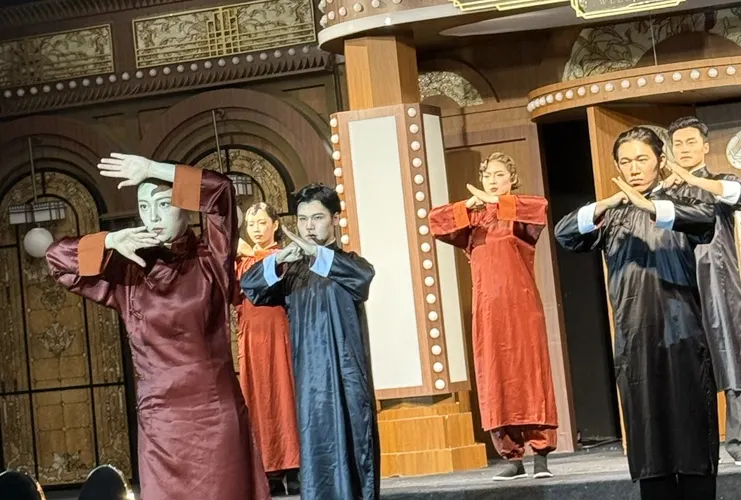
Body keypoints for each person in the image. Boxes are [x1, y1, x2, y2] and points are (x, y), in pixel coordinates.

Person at [45, 153, 270, 500]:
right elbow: (57, 261)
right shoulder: (128, 270)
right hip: (161, 423)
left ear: (184, 207)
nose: (153, 217)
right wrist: (109, 241)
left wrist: (151, 169)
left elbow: (220, 191)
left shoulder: (211, 259)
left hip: (215, 415)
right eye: (144, 207)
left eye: (164, 204)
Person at [554, 127, 719, 500]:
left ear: (660, 160)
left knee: (692, 432)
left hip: (684, 337)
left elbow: (705, 220)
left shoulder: (682, 202)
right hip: (635, 341)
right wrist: (609, 202)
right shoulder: (613, 215)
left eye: (642, 159)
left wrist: (650, 207)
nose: (634, 168)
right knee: (649, 441)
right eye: (625, 161)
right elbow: (565, 234)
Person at [241, 183, 379, 500]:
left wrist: (316, 254)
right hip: (310, 384)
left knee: (354, 450)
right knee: (317, 454)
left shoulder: (349, 264)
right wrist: (279, 257)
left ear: (335, 220)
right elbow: (251, 287)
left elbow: (363, 279)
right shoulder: (293, 272)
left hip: (346, 379)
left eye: (317, 218)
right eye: (303, 219)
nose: (309, 227)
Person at [428, 152, 558, 481]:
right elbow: (436, 222)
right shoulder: (475, 219)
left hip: (521, 307)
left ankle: (541, 454)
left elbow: (540, 207)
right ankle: (512, 455)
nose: (493, 180)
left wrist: (496, 202)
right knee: (496, 377)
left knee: (529, 374)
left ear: (511, 179)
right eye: (488, 175)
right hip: (488, 311)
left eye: (500, 175)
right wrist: (469, 204)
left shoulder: (518, 211)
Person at [663, 116, 741, 465]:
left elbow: (736, 194)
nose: (684, 149)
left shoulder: (721, 182)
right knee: (684, 362)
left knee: (730, 356)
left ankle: (738, 440)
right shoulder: (665, 192)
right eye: (678, 144)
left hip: (716, 279)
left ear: (705, 146)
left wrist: (692, 179)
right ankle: (692, 444)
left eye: (691, 142)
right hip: (676, 283)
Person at [234, 202, 300, 496]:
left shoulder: (283, 256)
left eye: (262, 223)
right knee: (258, 399)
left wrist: (254, 254)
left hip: (280, 332)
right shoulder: (242, 261)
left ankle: (295, 466)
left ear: (275, 225)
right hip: (251, 337)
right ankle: (269, 471)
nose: (257, 229)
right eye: (251, 225)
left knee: (286, 394)